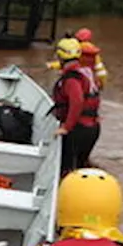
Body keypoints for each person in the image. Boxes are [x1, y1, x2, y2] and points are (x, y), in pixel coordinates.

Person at [50, 37, 102, 175]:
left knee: (66, 171)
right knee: (81, 168)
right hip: (93, 128)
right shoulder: (86, 72)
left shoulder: (72, 79)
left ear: (60, 56)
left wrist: (66, 128)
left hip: (78, 130)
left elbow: (77, 102)